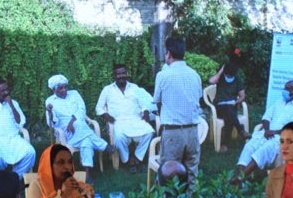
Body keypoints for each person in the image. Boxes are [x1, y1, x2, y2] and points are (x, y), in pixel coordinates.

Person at [231, 79, 293, 184]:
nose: (284, 90)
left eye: (287, 88)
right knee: (249, 146)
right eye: (285, 88)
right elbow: (266, 117)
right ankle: (240, 174)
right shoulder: (279, 102)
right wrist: (267, 130)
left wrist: (274, 132)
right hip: (267, 133)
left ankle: (240, 178)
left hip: (283, 138)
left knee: (264, 150)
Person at [152, 37, 203, 186]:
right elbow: (197, 100)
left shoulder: (163, 76)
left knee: (168, 176)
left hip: (173, 133)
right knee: (192, 173)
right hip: (193, 131)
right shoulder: (195, 75)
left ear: (168, 54)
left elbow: (157, 101)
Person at [95, 63, 156, 174]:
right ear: (114, 76)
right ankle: (128, 161)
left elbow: (144, 103)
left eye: (123, 73)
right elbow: (99, 108)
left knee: (149, 132)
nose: (121, 76)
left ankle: (137, 159)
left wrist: (146, 112)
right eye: (118, 74)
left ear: (126, 74)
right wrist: (107, 116)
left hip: (135, 119)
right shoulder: (107, 89)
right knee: (118, 137)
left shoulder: (134, 88)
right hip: (118, 121)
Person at [45, 74, 108, 173]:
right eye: (61, 88)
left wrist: (72, 120)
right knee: (81, 128)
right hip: (66, 131)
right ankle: (103, 146)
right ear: (54, 89)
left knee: (86, 140)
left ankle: (87, 173)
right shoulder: (50, 101)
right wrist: (49, 112)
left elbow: (82, 109)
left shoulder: (74, 93)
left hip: (80, 125)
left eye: (65, 87)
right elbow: (52, 123)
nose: (64, 90)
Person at [208, 60, 251, 151]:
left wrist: (236, 102)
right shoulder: (220, 78)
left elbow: (242, 96)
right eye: (228, 75)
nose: (229, 77)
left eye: (231, 76)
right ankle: (241, 131)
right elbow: (211, 81)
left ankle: (225, 145)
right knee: (229, 111)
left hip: (232, 106)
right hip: (219, 107)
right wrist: (221, 71)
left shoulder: (237, 79)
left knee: (229, 116)